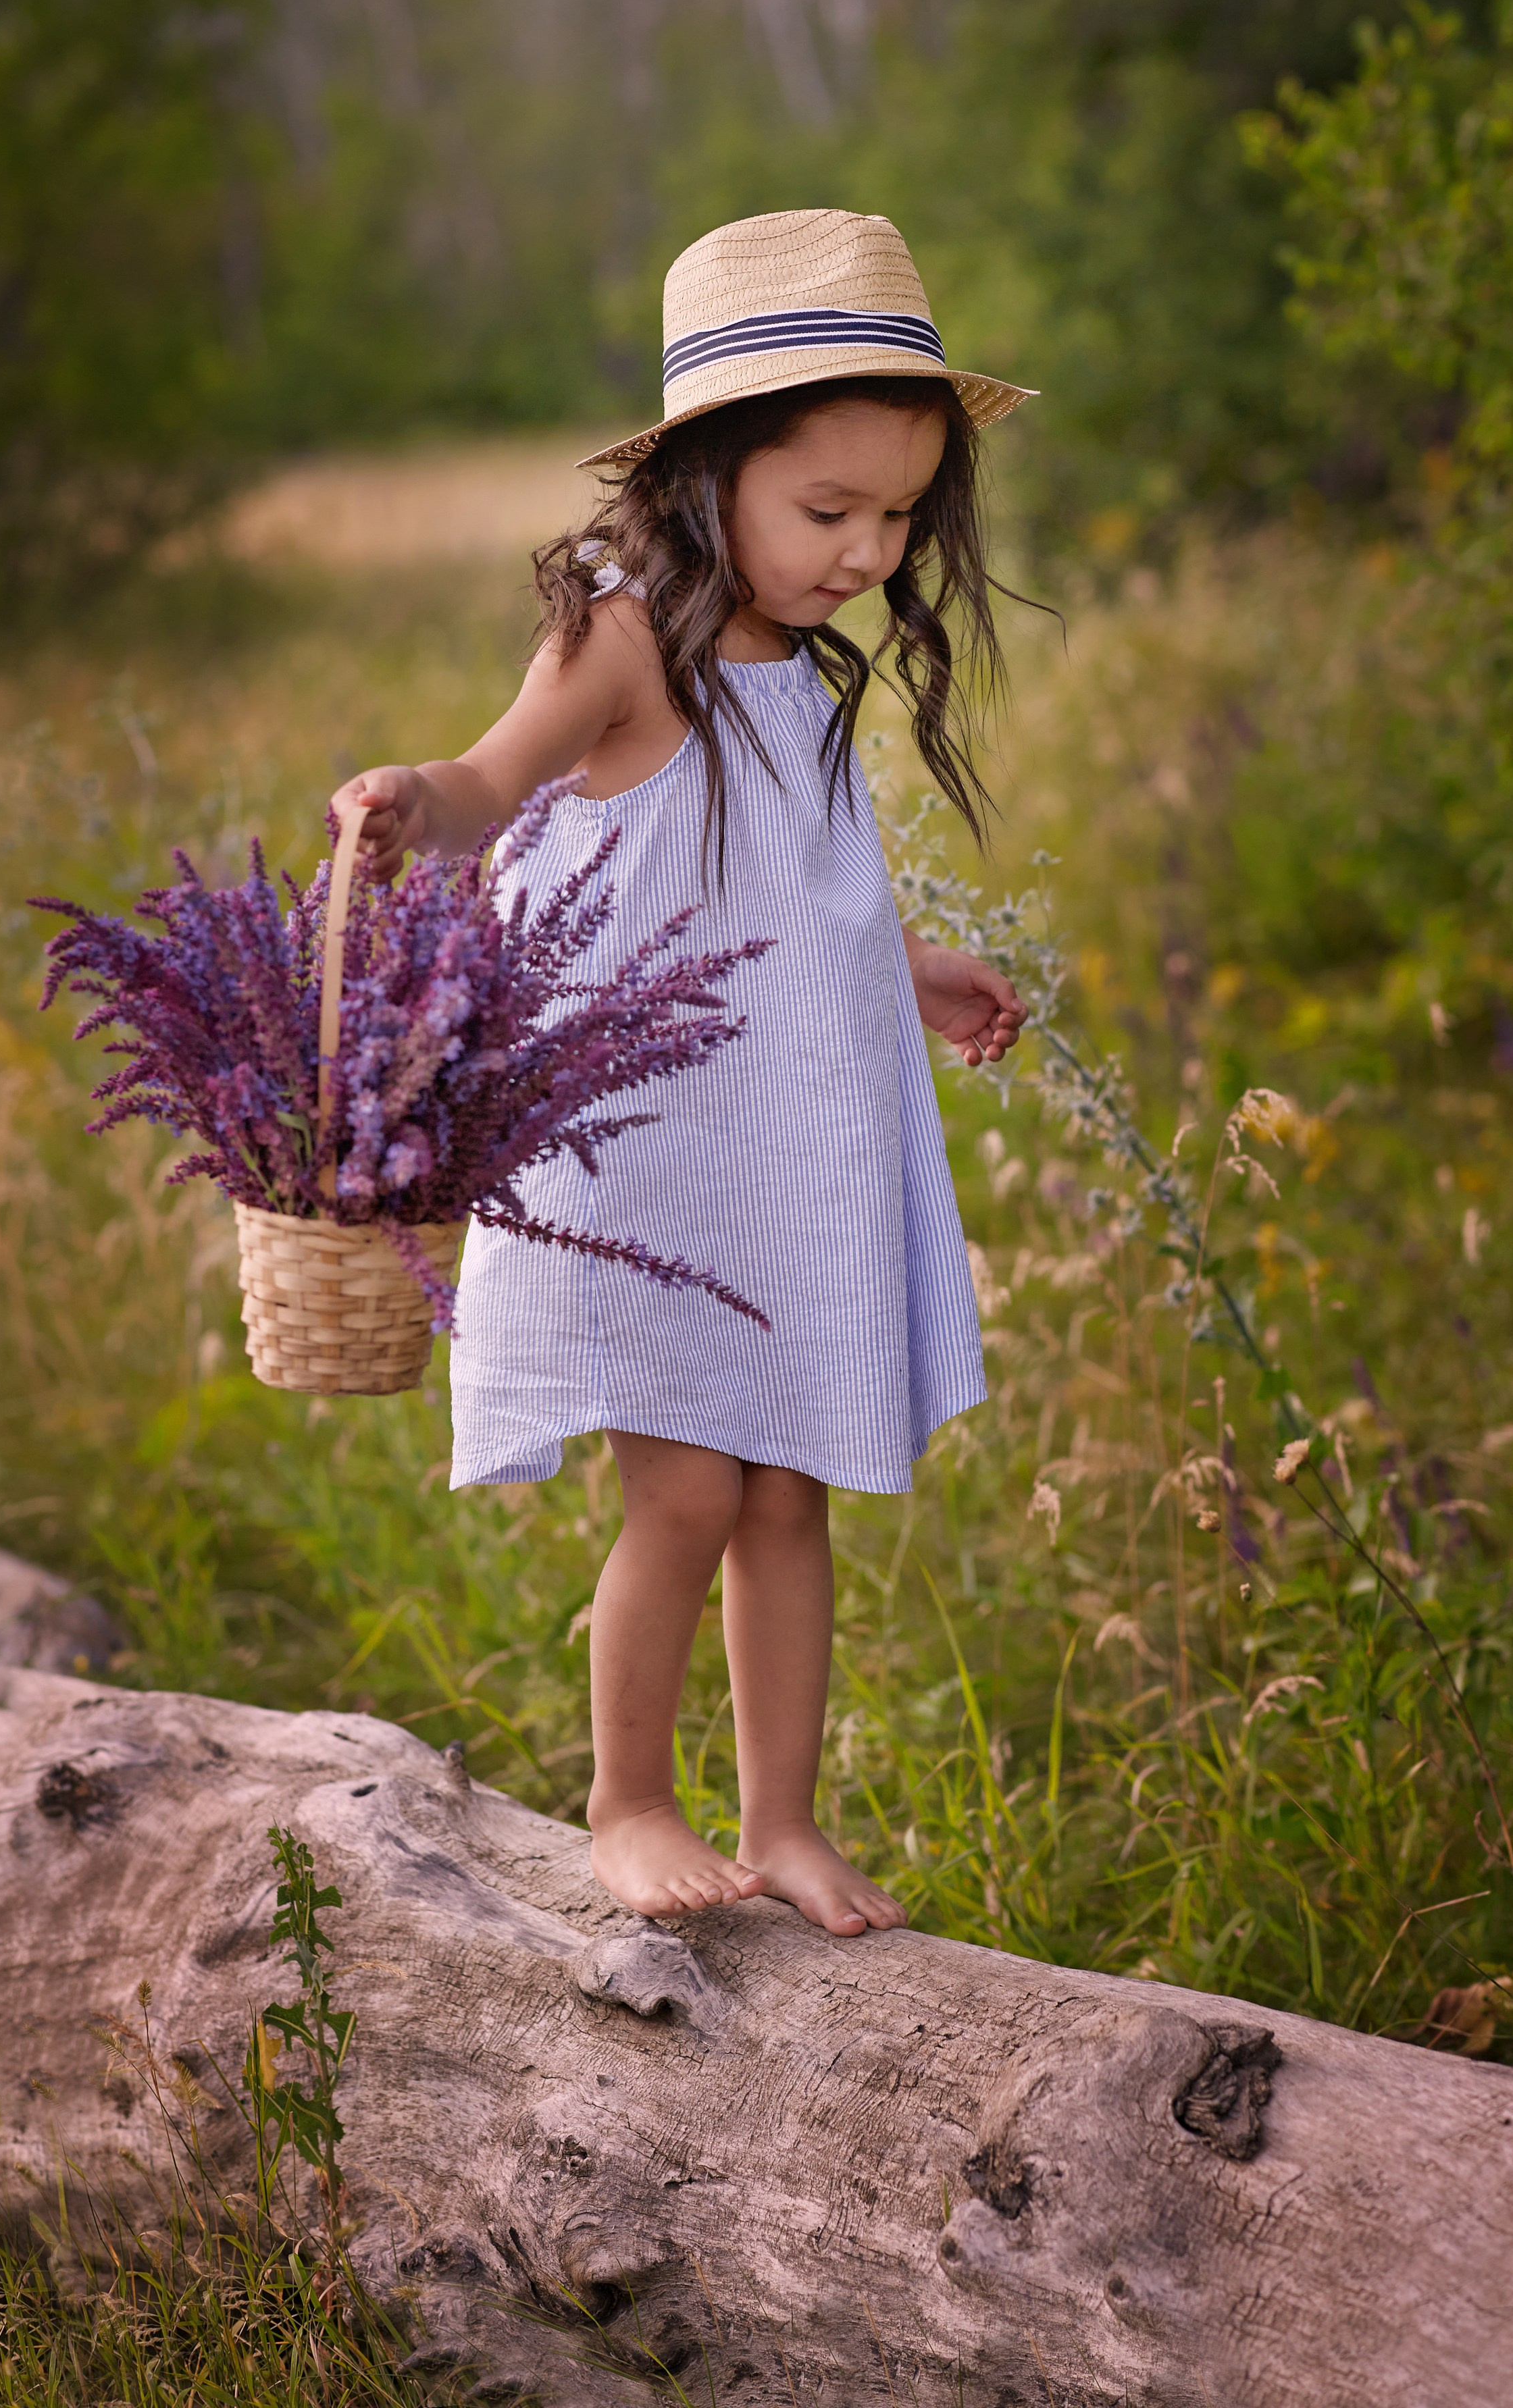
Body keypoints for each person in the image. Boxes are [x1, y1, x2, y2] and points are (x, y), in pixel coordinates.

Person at [332, 207, 1033, 1936]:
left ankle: (782, 1818)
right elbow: (498, 778)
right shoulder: (622, 635)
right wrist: (416, 801)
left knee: (790, 1481)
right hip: (644, 1153)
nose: (866, 550)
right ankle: (627, 1800)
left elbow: (787, 892)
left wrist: (915, 969)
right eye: (828, 511)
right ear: (709, 471)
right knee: (691, 1487)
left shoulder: (792, 664)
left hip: (780, 1141)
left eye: (896, 515)